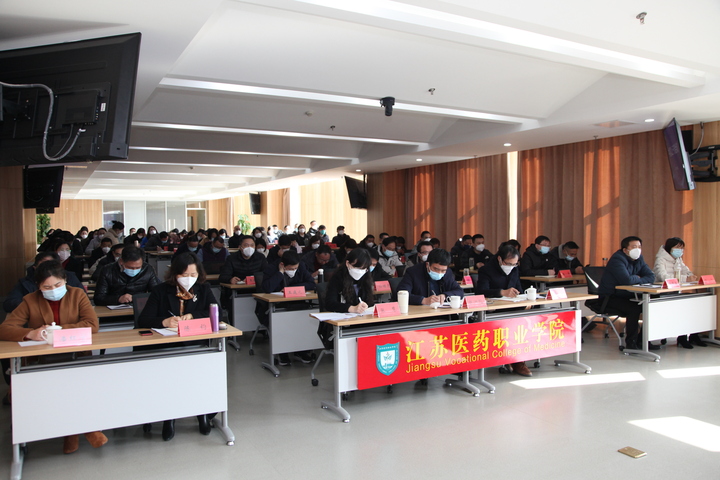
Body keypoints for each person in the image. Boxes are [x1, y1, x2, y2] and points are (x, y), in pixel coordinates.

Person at [0, 260, 106, 454]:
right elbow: (5, 328)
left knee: (76, 387)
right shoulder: (30, 300)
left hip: (76, 356)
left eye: (57, 285)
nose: (53, 290)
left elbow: (92, 325)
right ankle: (83, 430)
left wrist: (57, 330)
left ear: (65, 280)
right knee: (56, 390)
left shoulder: (77, 294)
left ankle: (74, 433)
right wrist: (30, 333)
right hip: (42, 359)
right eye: (47, 287)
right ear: (38, 287)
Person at [137, 253, 216, 441]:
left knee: (200, 377)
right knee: (170, 379)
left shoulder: (203, 289)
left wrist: (193, 316)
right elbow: (144, 320)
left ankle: (203, 414)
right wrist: (164, 321)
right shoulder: (160, 291)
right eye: (184, 275)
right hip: (167, 347)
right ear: (175, 274)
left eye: (193, 275)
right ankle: (169, 418)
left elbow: (217, 312)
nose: (189, 279)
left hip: (195, 346)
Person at [474, 244, 532, 377]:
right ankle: (515, 361)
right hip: (494, 309)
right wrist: (501, 292)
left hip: (512, 306)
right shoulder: (486, 270)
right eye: (508, 264)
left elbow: (519, 289)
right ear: (500, 259)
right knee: (513, 324)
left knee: (526, 322)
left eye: (514, 264)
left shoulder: (514, 269)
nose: (511, 267)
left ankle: (517, 359)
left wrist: (524, 298)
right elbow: (481, 292)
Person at [598, 236, 656, 351]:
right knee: (634, 308)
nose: (637, 250)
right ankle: (631, 343)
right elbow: (626, 280)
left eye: (639, 247)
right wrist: (638, 278)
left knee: (652, 304)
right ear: (625, 250)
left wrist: (636, 278)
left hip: (627, 295)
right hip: (610, 297)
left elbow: (651, 277)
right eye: (634, 247)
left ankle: (643, 340)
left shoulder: (639, 258)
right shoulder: (617, 259)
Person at [260, 251, 317, 365]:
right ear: (282, 264)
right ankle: (282, 353)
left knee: (303, 321)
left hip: (297, 305)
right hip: (277, 306)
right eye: (290, 269)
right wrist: (280, 273)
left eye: (295, 268)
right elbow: (267, 288)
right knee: (283, 321)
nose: (294, 270)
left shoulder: (301, 266)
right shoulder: (271, 268)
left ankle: (301, 351)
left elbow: (311, 283)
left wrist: (291, 289)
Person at [653, 237, 703, 348]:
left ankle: (692, 336)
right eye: (677, 247)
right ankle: (682, 338)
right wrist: (685, 279)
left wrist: (691, 276)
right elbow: (662, 276)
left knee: (695, 303)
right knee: (683, 306)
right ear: (669, 248)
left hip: (675, 292)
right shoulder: (660, 259)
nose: (680, 250)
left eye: (681, 248)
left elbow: (686, 270)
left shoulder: (678, 259)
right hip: (662, 293)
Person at [4, 252, 84, 313]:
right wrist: (34, 306)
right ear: (35, 268)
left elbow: (83, 302)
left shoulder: (71, 279)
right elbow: (9, 304)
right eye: (47, 287)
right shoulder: (25, 283)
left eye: (58, 285)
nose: (48, 269)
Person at [94, 246, 160, 306]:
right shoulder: (107, 270)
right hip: (113, 310)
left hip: (139, 308)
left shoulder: (148, 269)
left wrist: (139, 298)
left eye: (138, 267)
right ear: (121, 261)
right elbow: (98, 298)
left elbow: (156, 294)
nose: (134, 270)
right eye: (130, 267)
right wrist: (118, 299)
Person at [397, 248, 463, 305]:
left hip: (442, 311)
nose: (439, 273)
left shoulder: (448, 273)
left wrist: (445, 295)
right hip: (420, 312)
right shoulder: (413, 272)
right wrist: (423, 300)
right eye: (436, 269)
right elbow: (401, 294)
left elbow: (459, 291)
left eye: (443, 270)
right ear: (427, 264)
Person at [325, 249, 375, 313]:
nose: (359, 271)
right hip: (343, 316)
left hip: (361, 316)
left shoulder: (366, 277)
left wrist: (366, 305)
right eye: (356, 267)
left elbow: (369, 300)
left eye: (363, 269)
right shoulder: (337, 277)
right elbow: (329, 304)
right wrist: (351, 308)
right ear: (347, 263)